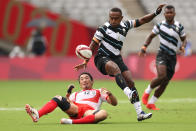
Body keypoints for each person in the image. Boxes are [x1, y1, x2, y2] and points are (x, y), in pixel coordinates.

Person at [74, 4, 165, 121]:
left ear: (121, 18)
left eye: (116, 18)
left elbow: (142, 20)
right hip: (102, 58)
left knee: (130, 81)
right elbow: (92, 45)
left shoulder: (125, 25)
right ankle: (128, 94)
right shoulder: (103, 29)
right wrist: (86, 60)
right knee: (115, 68)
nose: (113, 20)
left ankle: (140, 113)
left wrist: (156, 13)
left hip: (117, 58)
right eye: (111, 17)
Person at [139, 5, 187, 110]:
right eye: (167, 13)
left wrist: (183, 46)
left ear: (174, 14)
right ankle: (147, 92)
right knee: (162, 76)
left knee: (165, 82)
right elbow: (150, 36)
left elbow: (184, 39)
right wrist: (144, 47)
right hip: (162, 54)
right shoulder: (160, 26)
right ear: (164, 14)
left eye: (171, 12)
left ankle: (151, 103)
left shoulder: (179, 26)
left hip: (172, 56)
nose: (169, 14)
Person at [25, 72, 117, 124]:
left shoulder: (99, 91)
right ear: (80, 84)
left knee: (104, 113)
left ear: (92, 81)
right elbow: (68, 103)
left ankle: (72, 122)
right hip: (76, 108)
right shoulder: (76, 94)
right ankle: (37, 114)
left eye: (86, 78)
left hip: (89, 111)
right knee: (58, 97)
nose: (84, 80)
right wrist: (68, 94)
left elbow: (114, 103)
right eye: (82, 79)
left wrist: (111, 95)